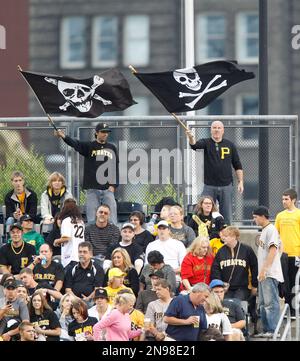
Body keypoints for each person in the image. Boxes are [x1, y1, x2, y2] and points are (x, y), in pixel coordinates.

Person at [55, 122, 119, 225]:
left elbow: (115, 167)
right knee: (92, 219)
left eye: (107, 132)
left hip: (108, 188)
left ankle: (114, 238)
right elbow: (75, 144)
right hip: (92, 188)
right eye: (103, 132)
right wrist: (64, 136)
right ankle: (91, 239)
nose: (105, 134)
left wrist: (113, 185)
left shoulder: (112, 147)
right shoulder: (90, 146)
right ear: (97, 133)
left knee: (111, 219)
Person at [186, 120, 244, 224]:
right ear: (211, 130)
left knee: (226, 215)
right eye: (214, 128)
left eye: (219, 128)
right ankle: (206, 234)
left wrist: (240, 181)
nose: (216, 130)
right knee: (204, 212)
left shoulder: (230, 145)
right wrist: (190, 137)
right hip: (209, 185)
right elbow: (194, 145)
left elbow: (237, 164)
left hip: (226, 185)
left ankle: (226, 237)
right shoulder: (206, 142)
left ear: (223, 130)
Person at [253, 206, 284, 337]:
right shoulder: (265, 230)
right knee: (262, 304)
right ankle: (266, 330)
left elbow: (273, 250)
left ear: (263, 216)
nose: (254, 220)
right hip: (263, 274)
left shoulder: (271, 229)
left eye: (255, 217)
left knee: (270, 303)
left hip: (269, 273)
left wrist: (265, 270)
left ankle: (272, 330)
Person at [210, 226, 258, 301]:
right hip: (225, 288)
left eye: (226, 236)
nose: (223, 238)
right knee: (225, 303)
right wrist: (219, 285)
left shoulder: (246, 249)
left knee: (236, 303)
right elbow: (215, 269)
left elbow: (254, 267)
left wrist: (255, 285)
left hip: (241, 288)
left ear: (234, 237)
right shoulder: (221, 251)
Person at [275, 188, 300, 315]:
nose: (284, 201)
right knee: (285, 283)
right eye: (283, 199)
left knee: (295, 283)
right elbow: (276, 234)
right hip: (283, 255)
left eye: (286, 199)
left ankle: (295, 311)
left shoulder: (298, 214)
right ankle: (287, 310)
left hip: (296, 254)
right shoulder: (280, 216)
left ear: (293, 200)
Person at [53, 199, 85, 268]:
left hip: (70, 257)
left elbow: (67, 238)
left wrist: (56, 241)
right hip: (80, 255)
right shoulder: (81, 222)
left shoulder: (67, 220)